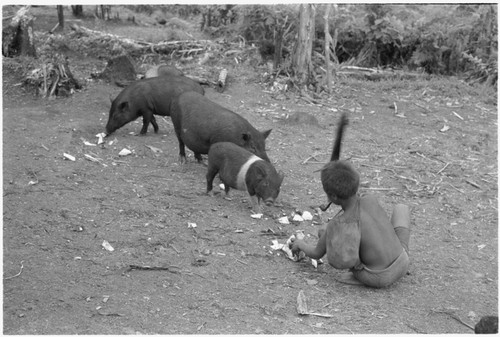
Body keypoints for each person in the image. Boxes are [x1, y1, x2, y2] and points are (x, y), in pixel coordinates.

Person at [291, 159, 411, 288]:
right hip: (403, 261)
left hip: (379, 277)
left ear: (333, 196)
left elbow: (316, 254)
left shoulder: (339, 224)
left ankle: (359, 275)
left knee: (328, 232)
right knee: (401, 209)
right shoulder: (370, 199)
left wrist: (300, 244)